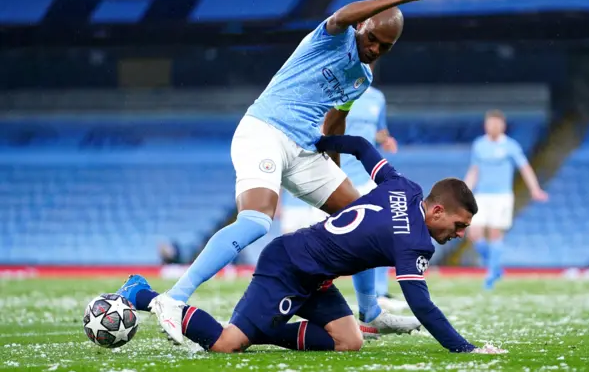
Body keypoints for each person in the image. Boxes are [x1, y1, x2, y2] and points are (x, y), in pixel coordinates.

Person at [150, 0, 446, 342]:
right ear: (363, 26)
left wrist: (334, 172)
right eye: (372, 39)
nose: (374, 50)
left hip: (306, 149)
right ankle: (174, 298)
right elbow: (343, 13)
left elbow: (334, 124)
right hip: (265, 131)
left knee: (365, 219)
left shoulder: (363, 77)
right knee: (257, 221)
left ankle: (371, 311)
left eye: (384, 47)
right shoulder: (333, 38)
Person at [116, 134, 505, 354]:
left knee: (349, 342)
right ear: (437, 211)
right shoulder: (416, 242)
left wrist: (322, 142)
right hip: (288, 267)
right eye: (459, 224)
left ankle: (264, 328)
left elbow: (362, 148)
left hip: (314, 275)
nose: (460, 234)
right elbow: (421, 304)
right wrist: (465, 349)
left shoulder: (404, 186)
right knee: (226, 345)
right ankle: (144, 294)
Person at [280, 84, 407, 312]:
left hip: (366, 177)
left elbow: (379, 131)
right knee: (317, 238)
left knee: (379, 234)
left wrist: (385, 140)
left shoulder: (378, 97)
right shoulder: (331, 90)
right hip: (332, 177)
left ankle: (379, 293)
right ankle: (299, 290)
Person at [463, 110, 548, 289]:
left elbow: (524, 167)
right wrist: (464, 191)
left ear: (502, 125)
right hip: (481, 195)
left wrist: (535, 189)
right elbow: (474, 170)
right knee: (474, 233)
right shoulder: (479, 145)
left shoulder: (511, 146)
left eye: (496, 123)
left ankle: (491, 276)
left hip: (502, 196)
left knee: (495, 233)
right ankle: (493, 265)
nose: (492, 126)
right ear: (485, 125)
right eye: (489, 123)